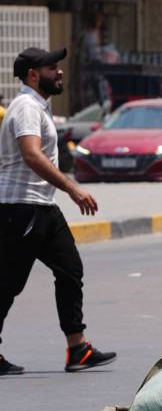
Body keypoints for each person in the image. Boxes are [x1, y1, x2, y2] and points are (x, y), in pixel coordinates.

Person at [0, 47, 116, 375]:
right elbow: (32, 156)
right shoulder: (25, 107)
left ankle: (78, 348)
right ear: (33, 75)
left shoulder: (38, 105)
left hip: (42, 206)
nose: (60, 72)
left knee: (69, 270)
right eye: (53, 67)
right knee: (8, 283)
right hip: (20, 206)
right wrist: (73, 188)